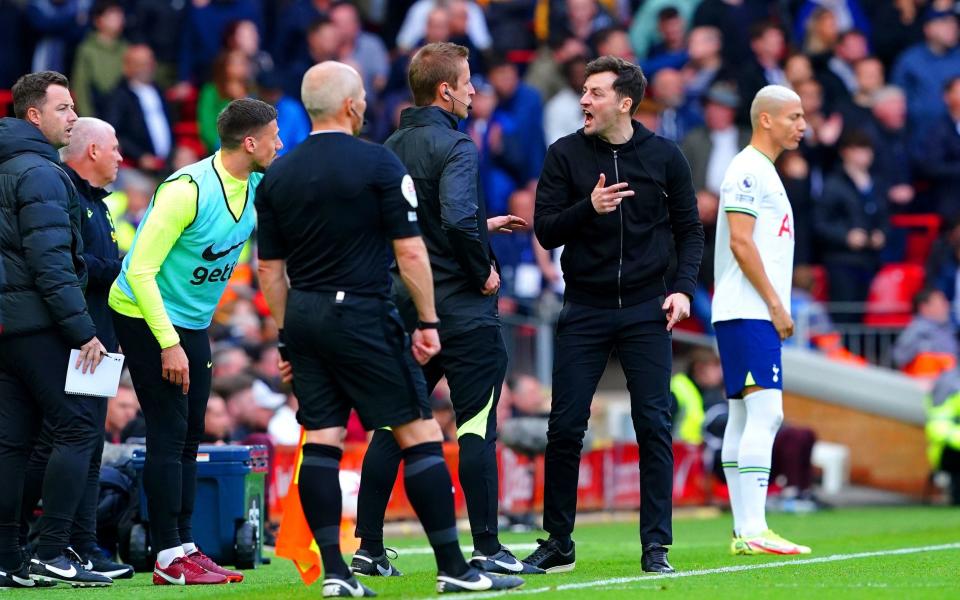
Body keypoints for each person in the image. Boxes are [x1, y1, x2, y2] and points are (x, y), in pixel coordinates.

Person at [255, 60, 523, 596]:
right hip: (364, 311)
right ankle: (456, 564)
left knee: (325, 440)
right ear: (353, 106)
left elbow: (268, 270)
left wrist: (287, 335)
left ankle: (338, 573)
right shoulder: (376, 163)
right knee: (419, 431)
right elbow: (410, 248)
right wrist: (427, 320)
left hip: (305, 316)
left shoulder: (277, 172)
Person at [350, 42, 536, 579]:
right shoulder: (457, 145)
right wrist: (482, 267)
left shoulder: (387, 148)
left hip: (405, 308)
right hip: (462, 308)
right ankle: (485, 548)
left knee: (394, 424)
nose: (476, 90)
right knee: (476, 424)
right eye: (468, 81)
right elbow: (454, 219)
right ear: (445, 90)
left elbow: (409, 226)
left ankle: (369, 547)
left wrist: (484, 224)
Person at [524, 55, 704, 575]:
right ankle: (559, 541)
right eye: (583, 91)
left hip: (649, 308)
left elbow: (691, 231)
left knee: (654, 424)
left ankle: (656, 548)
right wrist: (590, 207)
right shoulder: (564, 155)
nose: (584, 100)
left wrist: (683, 290)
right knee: (564, 426)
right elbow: (546, 230)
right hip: (585, 307)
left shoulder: (666, 156)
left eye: (595, 92)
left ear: (625, 102)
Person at [108, 97, 282, 586]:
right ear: (250, 143)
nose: (280, 144)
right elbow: (139, 270)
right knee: (168, 431)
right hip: (146, 315)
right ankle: (166, 555)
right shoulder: (187, 190)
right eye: (273, 136)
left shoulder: (258, 183)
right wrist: (168, 343)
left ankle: (186, 545)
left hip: (191, 321)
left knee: (190, 435)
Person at [0, 71, 111, 588]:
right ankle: (51, 549)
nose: (72, 116)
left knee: (13, 442)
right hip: (42, 323)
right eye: (64, 108)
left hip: (9, 326)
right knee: (78, 428)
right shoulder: (41, 172)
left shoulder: (9, 167)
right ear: (34, 115)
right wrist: (82, 330)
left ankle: (6, 556)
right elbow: (51, 264)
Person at [18, 117, 132, 581]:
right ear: (92, 152)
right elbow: (75, 268)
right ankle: (40, 542)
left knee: (88, 446)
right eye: (116, 148)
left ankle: (83, 546)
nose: (122, 157)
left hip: (98, 340)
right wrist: (128, 266)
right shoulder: (66, 195)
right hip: (75, 339)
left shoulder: (98, 204)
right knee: (61, 443)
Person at [711, 84, 811, 556]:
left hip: (740, 310)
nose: (803, 125)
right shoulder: (749, 170)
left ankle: (743, 530)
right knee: (767, 414)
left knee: (742, 415)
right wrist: (775, 303)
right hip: (750, 310)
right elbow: (741, 242)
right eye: (794, 116)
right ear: (766, 119)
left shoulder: (761, 170)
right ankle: (754, 528)